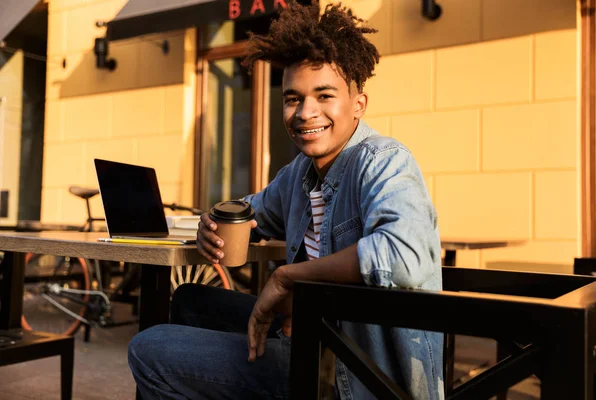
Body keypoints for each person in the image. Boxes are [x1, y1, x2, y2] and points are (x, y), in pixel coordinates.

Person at [128, 2, 444, 399]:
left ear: (357, 105)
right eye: (292, 98)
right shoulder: (299, 174)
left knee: (149, 349)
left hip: (350, 373)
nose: (305, 112)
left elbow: (405, 255)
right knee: (190, 300)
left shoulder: (382, 161)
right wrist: (213, 220)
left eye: (324, 96)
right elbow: (251, 211)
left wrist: (288, 278)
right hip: (311, 332)